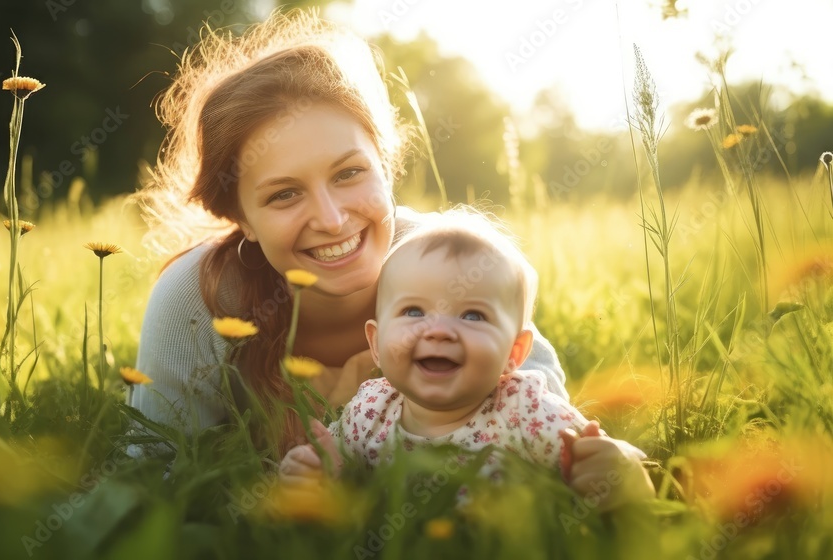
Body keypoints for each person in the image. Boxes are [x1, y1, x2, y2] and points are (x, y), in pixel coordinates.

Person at [130, 10, 570, 453]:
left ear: (386, 165)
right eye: (284, 194)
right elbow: (155, 470)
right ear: (242, 217)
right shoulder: (197, 298)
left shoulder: (456, 258)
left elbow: (553, 432)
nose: (332, 219)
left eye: (348, 173)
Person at [279, 212, 655, 509]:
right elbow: (342, 471)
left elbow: (600, 460)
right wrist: (318, 470)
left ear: (514, 354)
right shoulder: (369, 410)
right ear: (376, 344)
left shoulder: (526, 412)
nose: (438, 331)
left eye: (472, 315)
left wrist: (621, 473)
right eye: (413, 311)